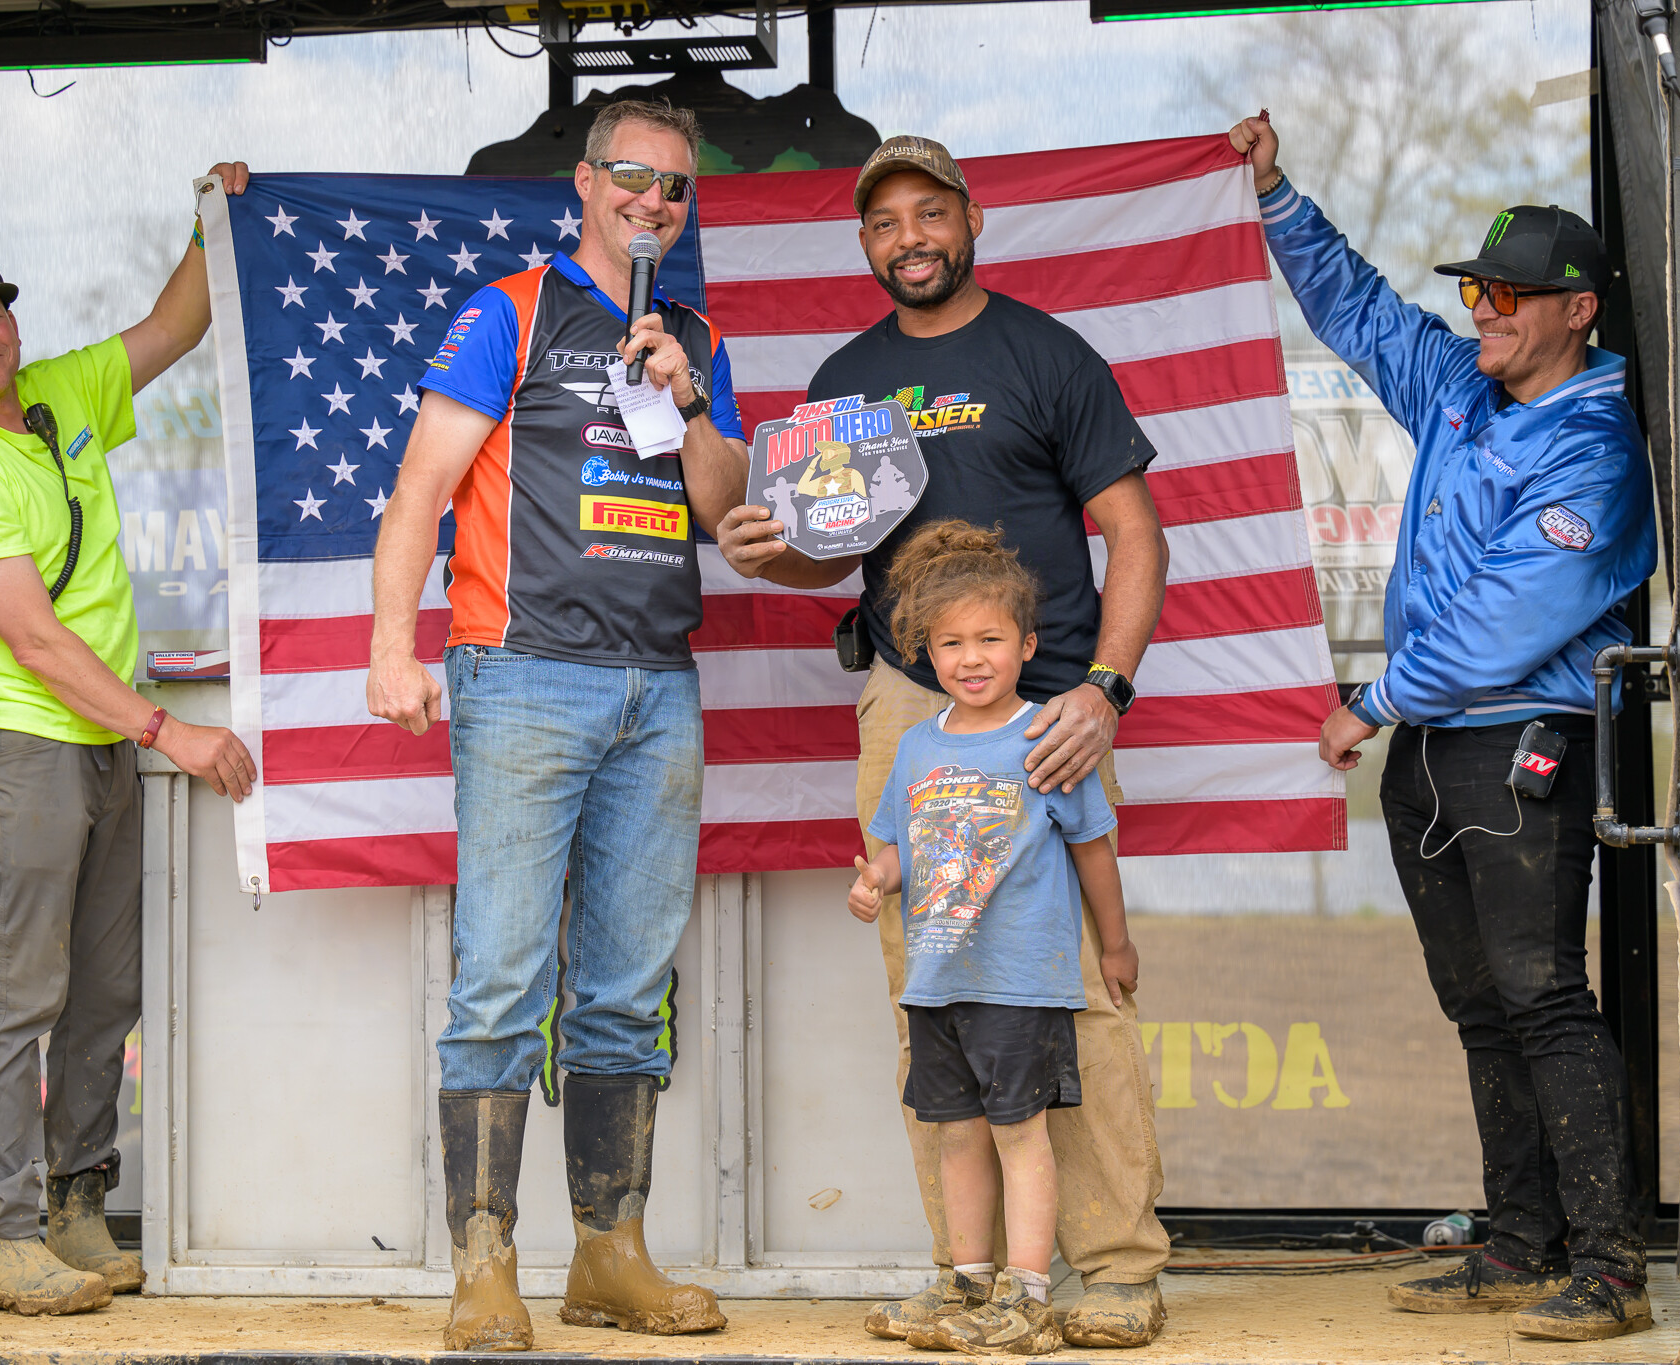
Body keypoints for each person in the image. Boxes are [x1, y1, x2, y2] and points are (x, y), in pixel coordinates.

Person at [716, 134, 1173, 1349]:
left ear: (969, 222)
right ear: (863, 243)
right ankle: (967, 1274)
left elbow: (1135, 536)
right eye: (882, 222)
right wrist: (770, 551)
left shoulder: (1045, 355)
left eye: (928, 213)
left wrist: (1103, 692)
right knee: (932, 996)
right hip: (908, 714)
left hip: (1043, 718)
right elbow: (828, 551)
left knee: (1070, 995)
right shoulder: (848, 380)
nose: (908, 236)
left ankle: (1118, 1266)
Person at [1229, 114, 1658, 1342]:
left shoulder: (1592, 442)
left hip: (1518, 742)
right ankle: (1519, 1244)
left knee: (1541, 998)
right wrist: (1273, 193)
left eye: (1509, 294)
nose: (1482, 310)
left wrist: (1369, 702)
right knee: (1478, 1003)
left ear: (1575, 309)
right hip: (1429, 751)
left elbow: (1505, 618)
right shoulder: (1464, 387)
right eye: (1474, 289)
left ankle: (1611, 1270)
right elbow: (1358, 312)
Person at [365, 99, 749, 1352]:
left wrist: (683, 396)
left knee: (629, 991)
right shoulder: (509, 309)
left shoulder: (689, 333)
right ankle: (483, 1267)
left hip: (659, 682)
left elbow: (722, 503)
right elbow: (420, 487)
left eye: (676, 188)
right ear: (584, 183)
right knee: (501, 980)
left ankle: (609, 1256)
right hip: (524, 672)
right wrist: (390, 644)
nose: (654, 201)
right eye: (632, 176)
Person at [0, 162, 259, 1317]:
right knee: (19, 998)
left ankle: (75, 1205)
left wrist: (214, 219)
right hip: (24, 747)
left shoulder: (57, 394)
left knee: (105, 992)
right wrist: (174, 734)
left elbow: (173, 327)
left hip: (98, 744)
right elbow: (40, 645)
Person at [848, 521, 1136, 1357]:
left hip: (1019, 981)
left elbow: (1092, 847)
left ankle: (1031, 1295)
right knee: (959, 1134)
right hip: (939, 982)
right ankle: (965, 1282)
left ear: (1026, 644)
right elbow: (898, 848)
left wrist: (1114, 946)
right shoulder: (913, 745)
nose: (971, 658)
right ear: (924, 652)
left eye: (989, 639)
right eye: (950, 643)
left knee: (1022, 1136)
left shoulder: (1046, 735)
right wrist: (874, 881)